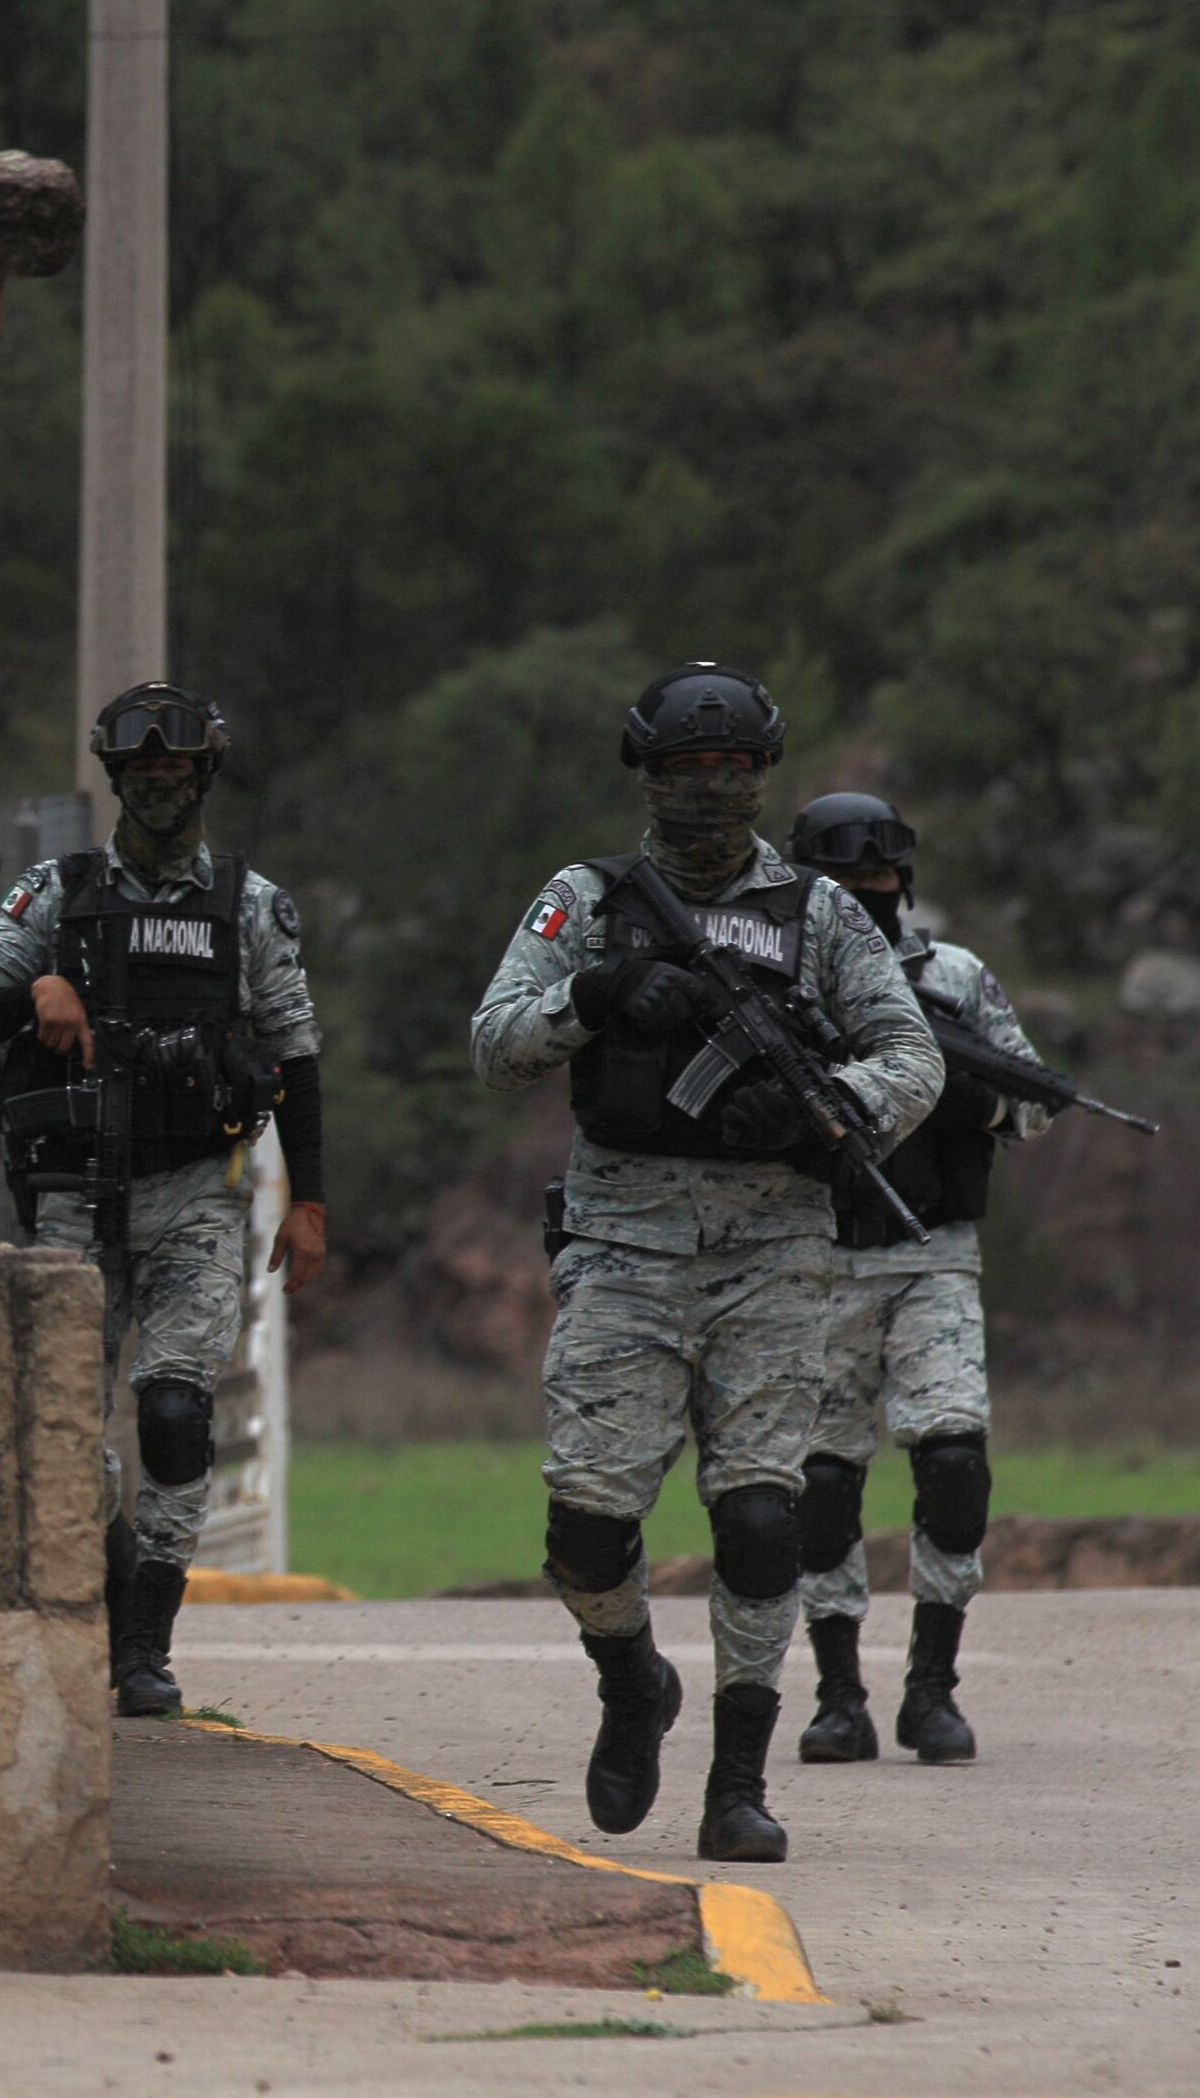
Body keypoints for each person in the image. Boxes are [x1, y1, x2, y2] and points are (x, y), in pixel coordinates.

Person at [470, 664, 941, 1862]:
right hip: (621, 1244)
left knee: (760, 1522)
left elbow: (911, 1055)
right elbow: (495, 1040)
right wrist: (597, 989)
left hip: (773, 1251)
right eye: (685, 771)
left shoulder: (818, 914)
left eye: (731, 773)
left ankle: (737, 1781)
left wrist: (821, 1109)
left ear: (761, 777)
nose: (708, 793)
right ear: (646, 774)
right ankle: (629, 1679)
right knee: (583, 1528)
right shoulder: (585, 897)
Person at [0, 681, 327, 1719]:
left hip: (194, 1197)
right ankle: (111, 1576)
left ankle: (144, 1645)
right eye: (140, 774)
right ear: (115, 779)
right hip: (71, 1200)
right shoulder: (55, 892)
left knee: (174, 1410)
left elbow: (296, 1055)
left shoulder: (249, 906)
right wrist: (32, 991)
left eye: (175, 772)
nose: (158, 789)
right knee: (54, 1429)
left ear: (203, 776)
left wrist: (309, 1203)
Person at [784, 793, 1050, 1767]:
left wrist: (970, 1093)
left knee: (950, 1465)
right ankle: (837, 1695)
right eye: (839, 883)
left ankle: (928, 1688)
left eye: (878, 879)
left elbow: (1033, 1107)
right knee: (818, 1483)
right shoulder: (769, 983)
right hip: (811, 1262)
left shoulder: (956, 978)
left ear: (903, 880)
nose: (863, 897)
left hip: (930, 1256)